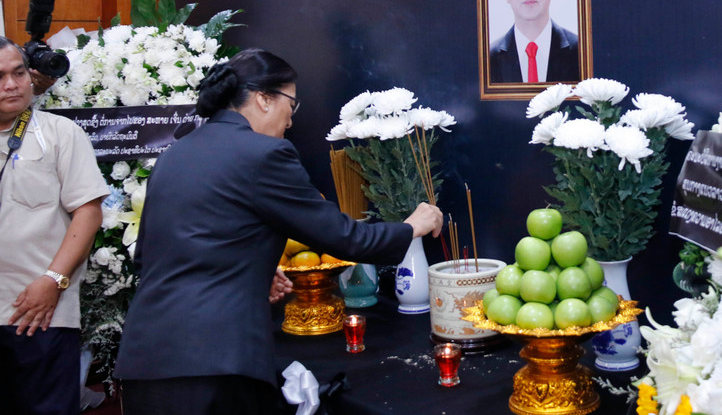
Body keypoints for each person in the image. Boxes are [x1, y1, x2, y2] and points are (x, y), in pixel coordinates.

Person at [114, 48, 443, 415]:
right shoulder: (265, 154)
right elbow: (347, 238)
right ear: (264, 99)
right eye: (292, 104)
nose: (290, 120)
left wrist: (250, 266)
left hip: (145, 357)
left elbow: (150, 255)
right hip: (215, 363)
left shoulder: (175, 153)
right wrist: (413, 226)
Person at [0, 36, 107, 415]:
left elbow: (89, 212)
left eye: (18, 73)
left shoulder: (61, 133)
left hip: (38, 314)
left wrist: (53, 280)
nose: (11, 85)